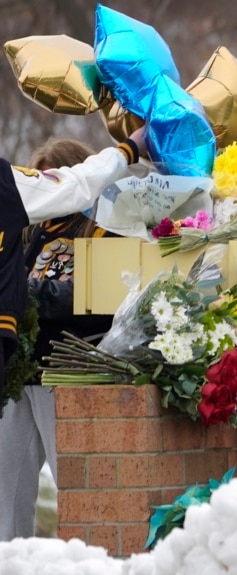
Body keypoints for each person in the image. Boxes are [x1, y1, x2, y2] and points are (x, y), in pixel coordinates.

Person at [0, 130, 146, 541]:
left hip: (66, 371)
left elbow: (107, 294)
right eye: (41, 178)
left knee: (75, 484)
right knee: (7, 489)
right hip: (21, 372)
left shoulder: (105, 228)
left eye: (56, 179)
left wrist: (32, 296)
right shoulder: (29, 231)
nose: (51, 195)